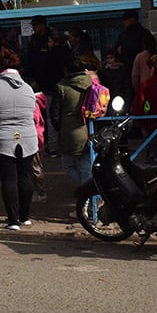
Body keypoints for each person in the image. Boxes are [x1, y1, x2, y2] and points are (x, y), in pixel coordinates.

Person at [0, 49, 38, 230]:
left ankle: (13, 221)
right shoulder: (27, 87)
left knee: (8, 179)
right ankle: (25, 217)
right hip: (28, 138)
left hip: (1, 138)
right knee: (25, 176)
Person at [54, 55, 94, 220]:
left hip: (70, 131)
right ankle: (92, 202)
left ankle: (87, 201)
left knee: (69, 164)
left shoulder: (61, 87)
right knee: (86, 167)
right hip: (91, 129)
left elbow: (54, 115)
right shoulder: (93, 83)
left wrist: (61, 129)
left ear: (66, 70)